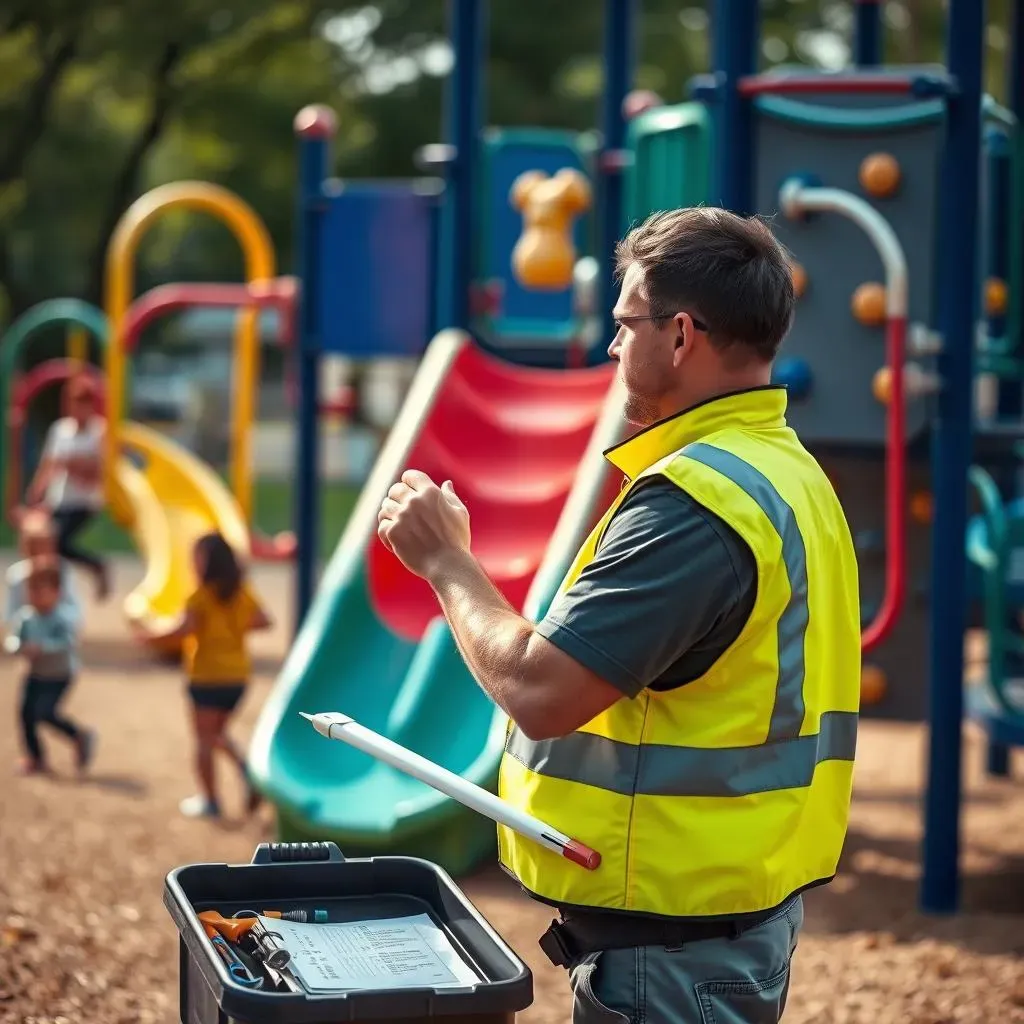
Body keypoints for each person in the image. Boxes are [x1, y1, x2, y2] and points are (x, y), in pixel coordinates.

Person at [376, 208, 861, 1024]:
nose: (611, 348)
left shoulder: (697, 506)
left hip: (670, 949)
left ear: (679, 335)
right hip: (729, 914)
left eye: (623, 324)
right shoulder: (788, 472)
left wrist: (446, 563)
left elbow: (540, 689)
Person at [137, 532, 272, 819]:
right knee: (216, 735)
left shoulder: (199, 597)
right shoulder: (241, 592)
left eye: (195, 557)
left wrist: (149, 636)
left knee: (203, 740)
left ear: (206, 562)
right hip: (237, 677)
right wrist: (233, 627)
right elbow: (264, 620)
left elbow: (182, 630)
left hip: (207, 676)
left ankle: (211, 800)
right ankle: (247, 772)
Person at [4, 557, 96, 776]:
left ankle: (77, 735)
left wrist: (42, 648)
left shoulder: (60, 618)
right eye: (32, 591)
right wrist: (19, 647)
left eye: (42, 591)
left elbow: (67, 642)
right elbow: (12, 640)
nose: (36, 597)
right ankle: (36, 758)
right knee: (26, 715)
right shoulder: (26, 618)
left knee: (45, 712)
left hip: (59, 674)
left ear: (57, 592)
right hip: (35, 673)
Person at [26, 373, 110, 601]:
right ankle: (50, 591)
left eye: (84, 404)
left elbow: (97, 473)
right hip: (58, 499)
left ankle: (93, 567)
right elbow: (49, 465)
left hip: (84, 501)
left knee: (59, 543)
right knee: (42, 545)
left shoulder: (99, 432)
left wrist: (73, 464)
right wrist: (37, 492)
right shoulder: (60, 430)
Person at [4, 507, 81, 633]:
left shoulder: (62, 571)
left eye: (44, 546)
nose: (40, 553)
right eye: (34, 547)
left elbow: (76, 614)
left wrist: (51, 610)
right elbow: (9, 615)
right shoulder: (17, 575)